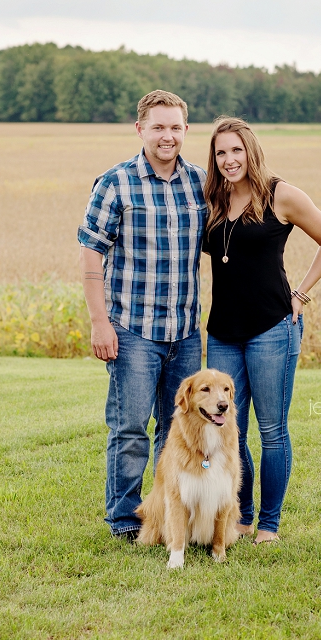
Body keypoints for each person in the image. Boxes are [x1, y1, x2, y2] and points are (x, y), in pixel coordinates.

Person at [203, 117, 321, 545]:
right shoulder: (210, 199)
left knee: (272, 430)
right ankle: (242, 516)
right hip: (223, 331)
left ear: (251, 151)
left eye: (236, 151)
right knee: (228, 428)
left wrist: (300, 295)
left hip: (272, 329)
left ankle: (269, 524)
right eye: (221, 153)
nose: (229, 160)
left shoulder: (281, 195)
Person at [78, 90, 206, 540]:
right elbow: (92, 255)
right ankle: (123, 522)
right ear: (140, 130)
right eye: (158, 127)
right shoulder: (115, 183)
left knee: (176, 430)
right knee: (130, 429)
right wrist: (99, 322)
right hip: (132, 329)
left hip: (186, 331)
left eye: (175, 127)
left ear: (186, 131)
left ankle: (170, 516)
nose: (167, 136)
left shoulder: (200, 183)